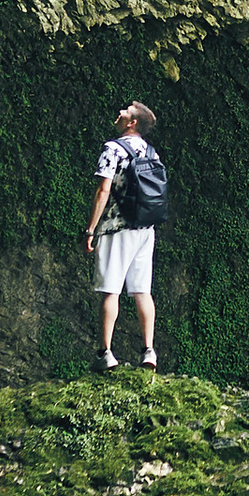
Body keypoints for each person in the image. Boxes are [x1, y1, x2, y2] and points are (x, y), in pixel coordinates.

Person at [83, 101, 165, 371]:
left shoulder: (113, 148)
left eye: (125, 111)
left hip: (117, 227)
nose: (119, 112)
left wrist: (91, 229)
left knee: (111, 290)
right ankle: (149, 351)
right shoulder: (152, 152)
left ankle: (105, 353)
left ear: (132, 123)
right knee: (143, 291)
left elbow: (103, 191)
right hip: (145, 229)